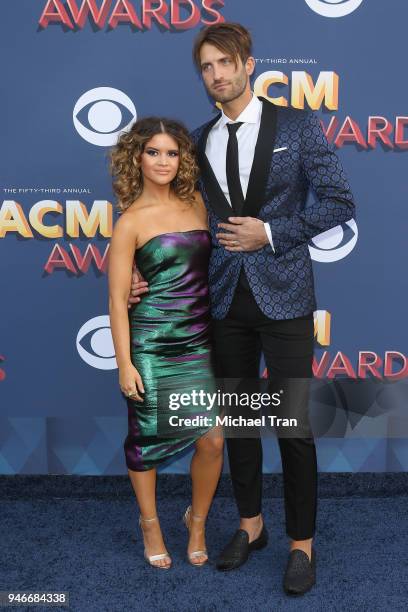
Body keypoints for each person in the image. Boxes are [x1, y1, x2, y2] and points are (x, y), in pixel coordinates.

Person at [129, 22, 355, 594]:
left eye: (225, 63)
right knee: (240, 425)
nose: (216, 75)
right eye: (206, 67)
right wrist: (141, 264)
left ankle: (301, 543)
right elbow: (175, 216)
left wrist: (271, 233)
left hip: (286, 298)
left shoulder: (298, 125)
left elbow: (339, 201)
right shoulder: (198, 140)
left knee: (294, 425)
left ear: (248, 63)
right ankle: (251, 526)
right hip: (223, 300)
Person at [108, 117, 223, 570]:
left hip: (199, 340)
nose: (163, 161)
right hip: (152, 345)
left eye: (172, 152)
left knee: (213, 440)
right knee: (146, 440)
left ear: (184, 159)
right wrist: (125, 364)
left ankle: (197, 522)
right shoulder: (130, 222)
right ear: (137, 157)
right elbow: (118, 301)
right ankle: (150, 524)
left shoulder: (198, 202)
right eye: (153, 152)